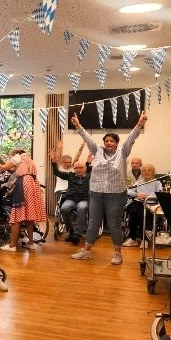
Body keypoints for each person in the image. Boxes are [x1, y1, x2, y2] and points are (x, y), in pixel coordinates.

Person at [69, 111, 148, 264]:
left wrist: (139, 124)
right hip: (96, 193)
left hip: (116, 194)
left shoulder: (123, 152)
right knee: (93, 222)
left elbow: (131, 139)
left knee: (114, 224)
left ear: (117, 143)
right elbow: (88, 138)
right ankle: (87, 250)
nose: (109, 143)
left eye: (112, 141)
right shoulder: (97, 151)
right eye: (107, 141)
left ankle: (118, 253)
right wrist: (78, 126)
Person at [0, 151, 45, 253]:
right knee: (29, 217)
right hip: (33, 184)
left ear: (15, 154)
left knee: (17, 216)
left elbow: (2, 167)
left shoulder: (18, 157)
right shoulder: (28, 160)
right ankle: (31, 243)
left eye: (10, 158)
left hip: (24, 185)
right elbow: (17, 172)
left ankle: (12, 245)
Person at [50, 150, 91, 245]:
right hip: (71, 199)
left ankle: (77, 234)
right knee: (63, 209)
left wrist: (88, 163)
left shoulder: (89, 177)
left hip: (84, 200)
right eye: (76, 168)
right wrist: (53, 161)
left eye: (81, 168)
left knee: (81, 208)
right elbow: (56, 172)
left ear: (84, 169)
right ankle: (71, 231)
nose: (78, 170)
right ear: (74, 169)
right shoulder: (70, 175)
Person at [122, 164, 162, 246]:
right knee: (132, 212)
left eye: (149, 171)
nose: (146, 172)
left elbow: (160, 194)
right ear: (142, 172)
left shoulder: (157, 183)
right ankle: (132, 238)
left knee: (142, 214)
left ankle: (145, 239)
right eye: (144, 171)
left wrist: (148, 196)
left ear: (153, 172)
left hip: (150, 204)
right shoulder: (139, 182)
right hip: (138, 202)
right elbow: (128, 191)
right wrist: (137, 194)